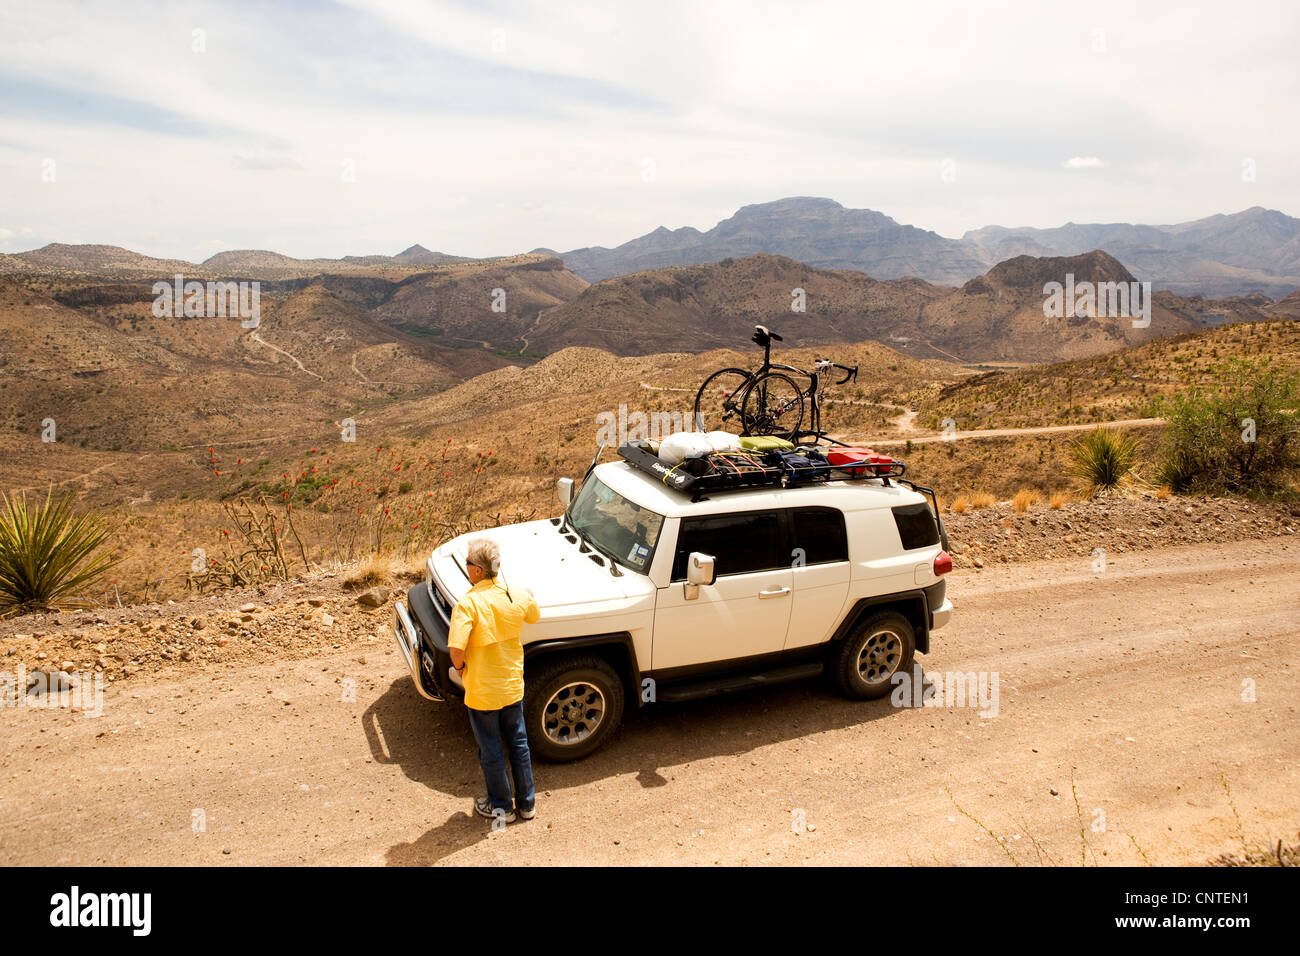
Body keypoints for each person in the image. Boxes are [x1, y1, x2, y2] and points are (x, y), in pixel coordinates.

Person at [447, 537, 540, 824]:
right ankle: (527, 805)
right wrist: (529, 596)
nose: (466, 566)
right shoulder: (514, 594)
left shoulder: (468, 603)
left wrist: (462, 670)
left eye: (468, 562)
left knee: (491, 748)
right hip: (511, 685)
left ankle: (501, 807)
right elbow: (534, 616)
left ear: (477, 571)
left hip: (483, 692)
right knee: (519, 743)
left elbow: (456, 651)